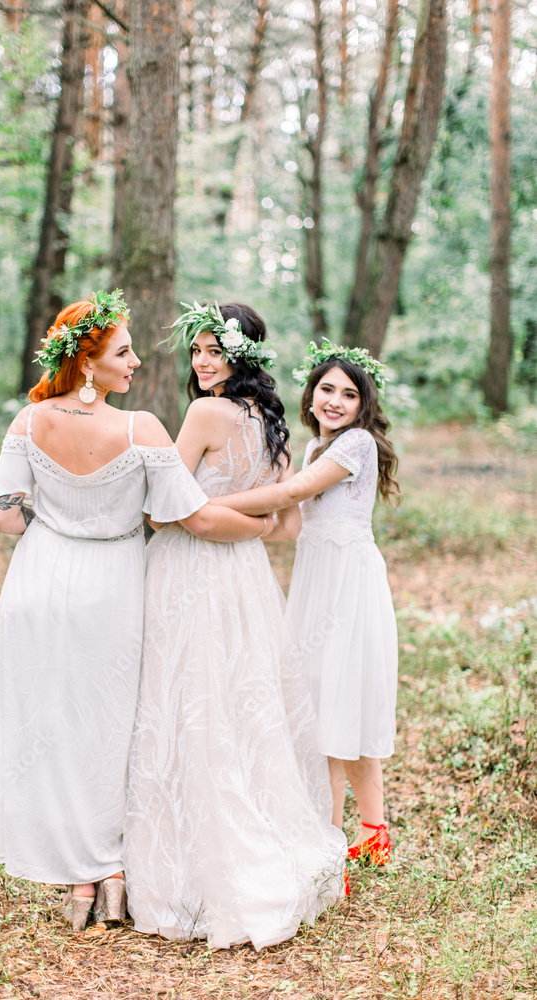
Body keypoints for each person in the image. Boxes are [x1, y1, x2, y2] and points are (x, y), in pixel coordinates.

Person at [0, 291, 268, 932]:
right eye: (124, 351)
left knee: (50, 727)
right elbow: (186, 514)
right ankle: (107, 871)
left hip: (39, 579)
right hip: (112, 582)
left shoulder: (26, 424)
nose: (137, 361)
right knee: (111, 730)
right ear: (87, 364)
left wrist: (55, 524)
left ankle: (76, 877)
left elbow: (1, 515)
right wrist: (262, 525)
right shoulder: (143, 430)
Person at [124, 302, 348, 951]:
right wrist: (243, 522)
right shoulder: (268, 420)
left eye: (213, 351)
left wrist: (201, 509)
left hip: (190, 574)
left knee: (184, 700)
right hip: (247, 578)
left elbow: (166, 510)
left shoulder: (203, 413)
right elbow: (283, 523)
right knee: (237, 704)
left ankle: (191, 869)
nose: (201, 362)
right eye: (196, 351)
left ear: (239, 356)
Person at [211, 339, 400, 865]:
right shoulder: (314, 447)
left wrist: (203, 504)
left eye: (348, 394)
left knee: (335, 708)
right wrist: (233, 528)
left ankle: (326, 845)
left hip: (348, 585)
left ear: (364, 405)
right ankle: (373, 832)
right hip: (317, 580)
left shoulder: (356, 445)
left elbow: (291, 494)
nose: (335, 401)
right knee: (328, 703)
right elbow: (288, 520)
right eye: (326, 389)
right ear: (311, 394)